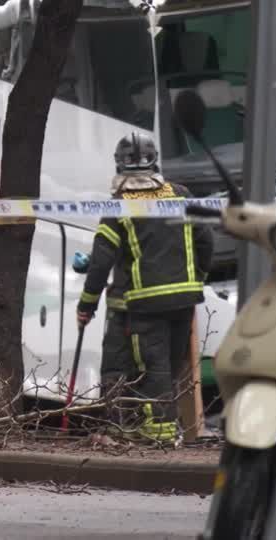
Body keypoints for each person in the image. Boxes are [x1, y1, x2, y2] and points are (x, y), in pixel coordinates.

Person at [77, 132, 214, 443]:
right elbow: (206, 240)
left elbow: (100, 262)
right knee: (170, 365)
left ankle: (159, 441)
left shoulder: (120, 206)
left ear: (118, 166)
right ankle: (160, 433)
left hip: (144, 305)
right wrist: (198, 279)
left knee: (153, 370)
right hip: (183, 303)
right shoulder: (180, 195)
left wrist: (86, 305)